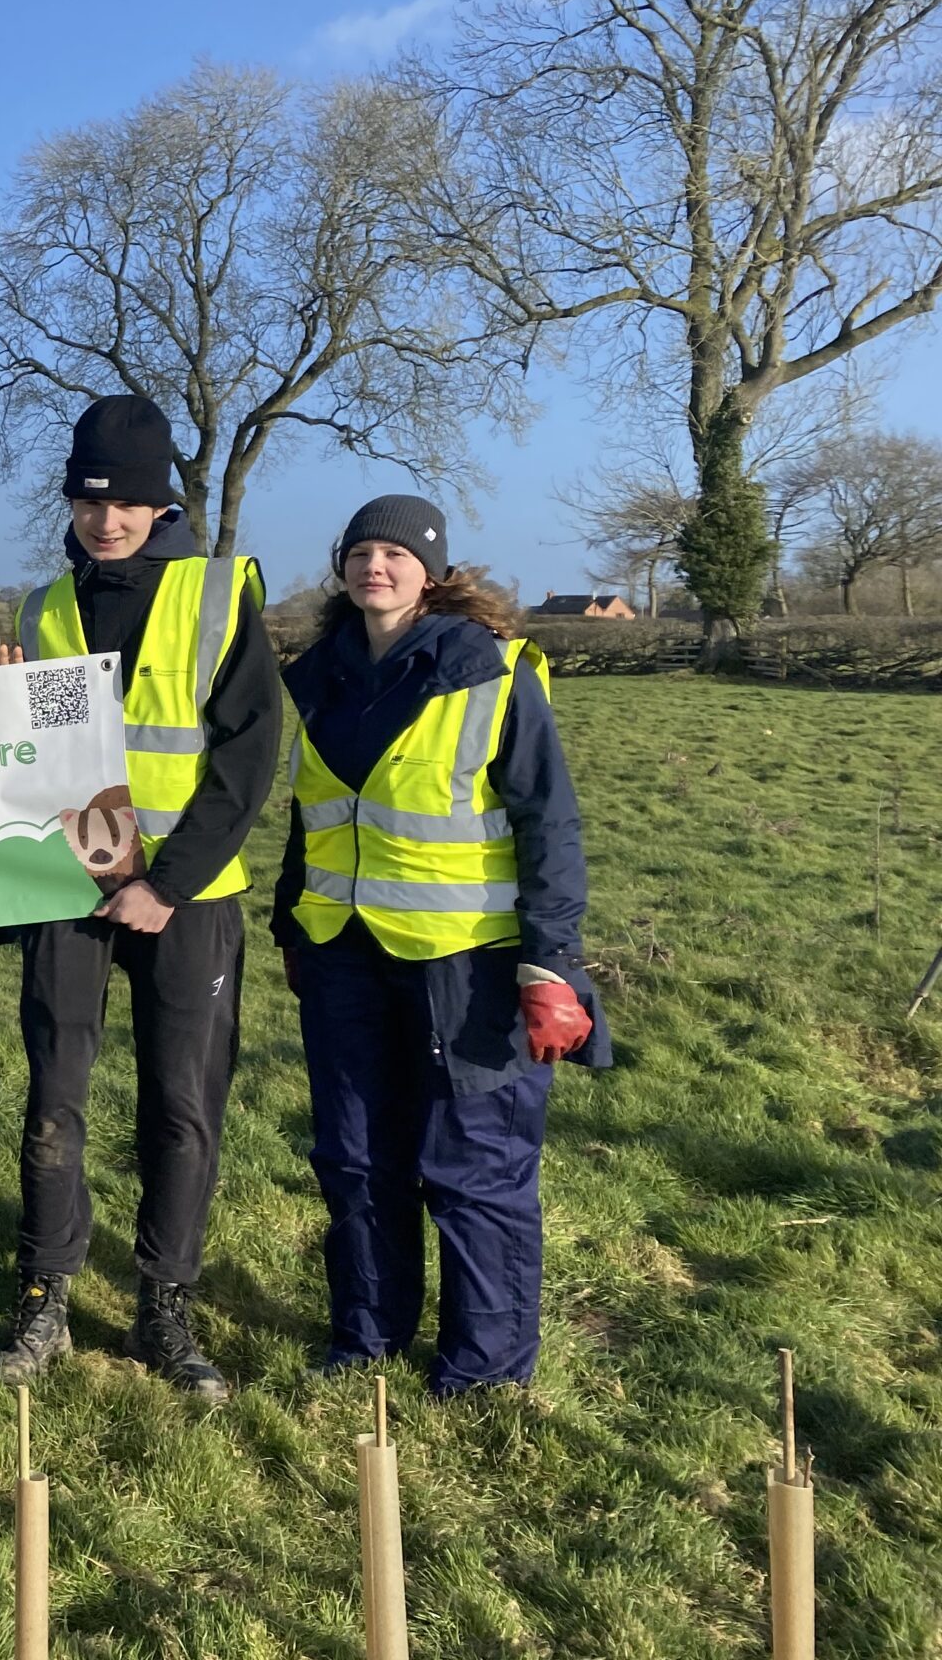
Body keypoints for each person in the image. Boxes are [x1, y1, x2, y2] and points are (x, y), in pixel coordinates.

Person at [272, 496, 607, 1395]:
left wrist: (553, 962)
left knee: (473, 1167)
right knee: (354, 1157)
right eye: (359, 552)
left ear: (432, 571)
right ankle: (365, 1344)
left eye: (395, 553)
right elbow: (314, 822)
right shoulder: (320, 678)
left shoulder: (493, 674)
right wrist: (290, 924)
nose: (373, 567)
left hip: (470, 963)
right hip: (344, 953)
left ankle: (484, 1373)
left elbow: (551, 825)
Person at [0, 398, 279, 1400]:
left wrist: (165, 881)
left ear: (162, 504)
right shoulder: (42, 609)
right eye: (86, 500)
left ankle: (164, 1301)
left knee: (179, 1106)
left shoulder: (217, 594)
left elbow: (246, 759)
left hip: (186, 898)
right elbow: (41, 759)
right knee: (54, 1098)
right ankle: (46, 1292)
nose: (103, 520)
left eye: (125, 503)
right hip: (72, 887)